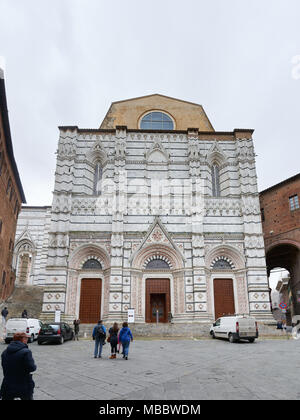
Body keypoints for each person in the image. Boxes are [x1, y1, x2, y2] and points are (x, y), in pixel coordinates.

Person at [0, 332, 36, 400]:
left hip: (8, 383)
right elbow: (32, 368)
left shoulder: (5, 352)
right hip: (23, 383)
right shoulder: (26, 352)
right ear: (22, 339)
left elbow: (4, 366)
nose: (27, 340)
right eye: (26, 338)